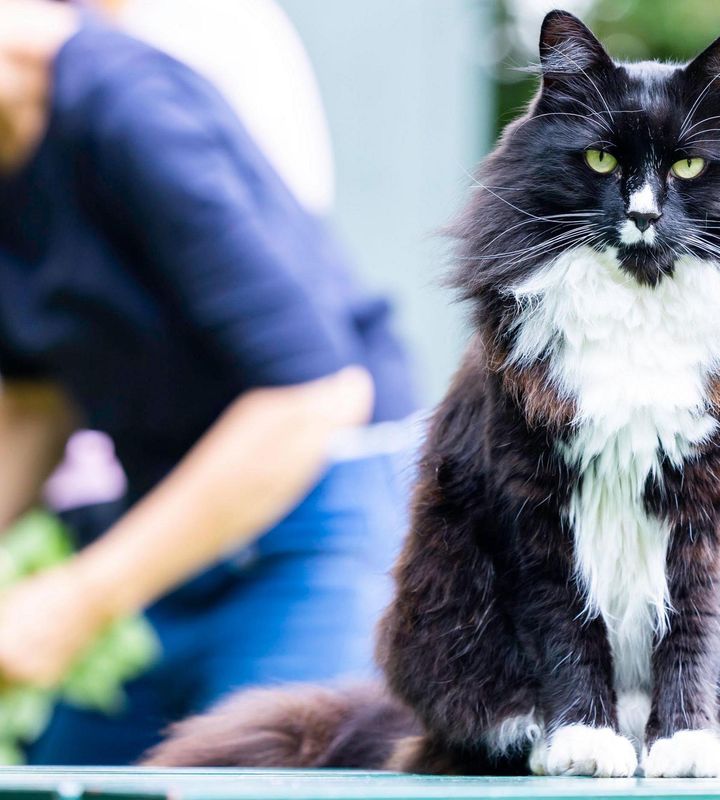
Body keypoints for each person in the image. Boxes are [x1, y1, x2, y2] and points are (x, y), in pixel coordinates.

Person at [0, 0, 417, 765]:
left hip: (317, 517)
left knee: (259, 781)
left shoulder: (128, 105)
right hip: (176, 532)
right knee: (62, 783)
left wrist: (70, 604)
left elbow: (315, 396)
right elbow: (35, 401)